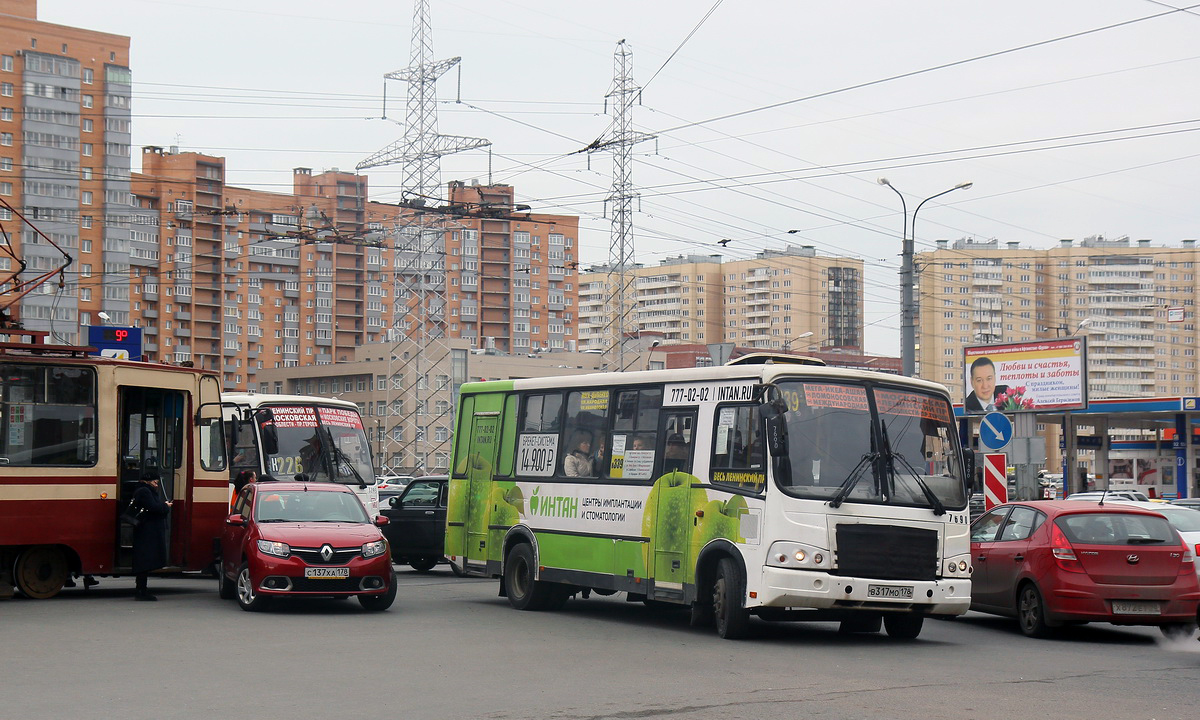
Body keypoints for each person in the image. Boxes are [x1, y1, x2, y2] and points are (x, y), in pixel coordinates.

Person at [131, 471, 173, 602]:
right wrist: (165, 506)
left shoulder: (143, 490)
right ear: (148, 481)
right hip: (147, 531)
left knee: (145, 560)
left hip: (146, 530)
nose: (156, 485)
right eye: (155, 482)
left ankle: (142, 590)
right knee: (145, 560)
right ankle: (141, 591)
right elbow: (153, 507)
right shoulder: (144, 491)